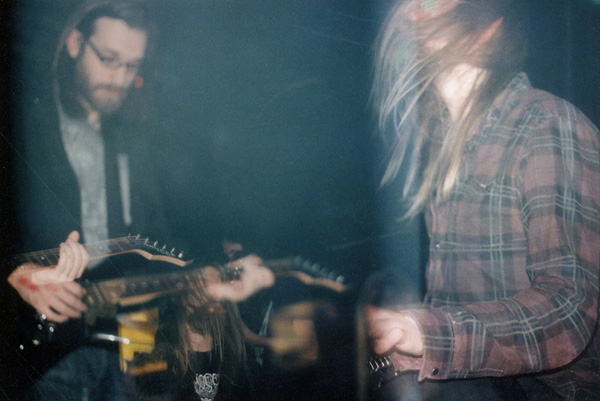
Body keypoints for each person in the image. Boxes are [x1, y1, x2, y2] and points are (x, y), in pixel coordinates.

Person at [366, 0, 599, 400]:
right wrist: (404, 338)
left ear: (488, 30)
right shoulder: (443, 146)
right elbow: (452, 309)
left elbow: (567, 309)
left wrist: (429, 333)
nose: (414, 13)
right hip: (470, 383)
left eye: (435, 6)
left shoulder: (547, 123)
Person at [4, 0, 166, 398]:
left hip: (119, 340)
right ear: (75, 43)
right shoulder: (23, 122)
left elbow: (155, 237)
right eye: (108, 59)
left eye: (132, 66)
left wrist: (206, 273)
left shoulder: (133, 137)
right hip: (40, 347)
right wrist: (16, 273)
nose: (120, 78)